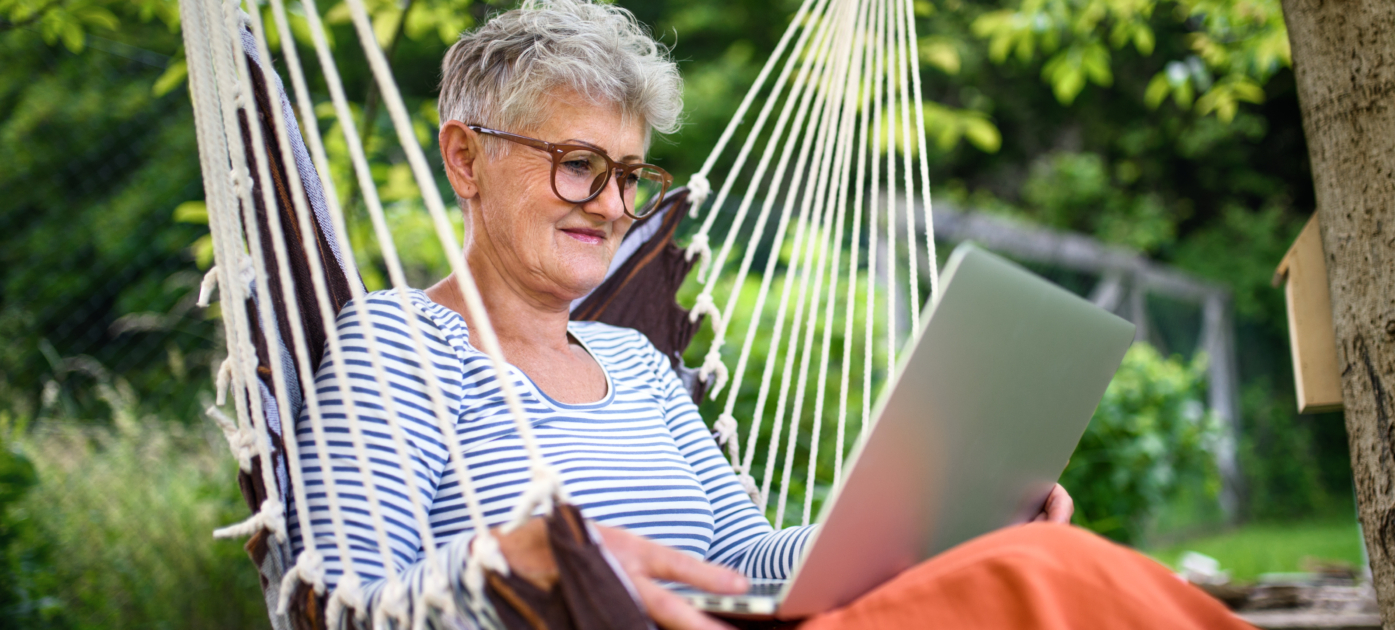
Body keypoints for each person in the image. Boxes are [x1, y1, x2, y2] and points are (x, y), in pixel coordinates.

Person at [290, 2, 1252, 629]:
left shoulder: (635, 362)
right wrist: (516, 571)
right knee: (1044, 589)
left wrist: (940, 522)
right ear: (465, 159)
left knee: (1038, 562)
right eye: (578, 164)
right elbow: (329, 611)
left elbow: (747, 557)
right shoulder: (396, 348)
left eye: (630, 175)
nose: (612, 205)